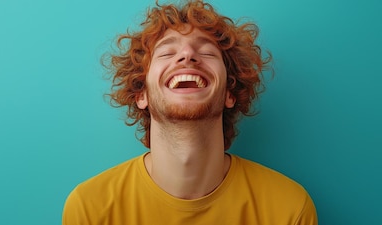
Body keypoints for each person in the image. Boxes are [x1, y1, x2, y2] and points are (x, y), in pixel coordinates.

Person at [62, 0, 317, 224]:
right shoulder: (89, 209)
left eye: (206, 51)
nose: (187, 55)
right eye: (166, 52)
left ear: (230, 92)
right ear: (142, 94)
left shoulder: (289, 209)